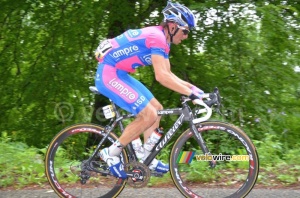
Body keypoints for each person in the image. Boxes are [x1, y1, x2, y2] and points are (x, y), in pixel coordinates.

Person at [94, 1, 204, 179]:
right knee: (149, 114)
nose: (186, 36)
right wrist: (190, 94)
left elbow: (169, 74)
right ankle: (111, 152)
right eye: (186, 31)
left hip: (120, 74)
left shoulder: (164, 41)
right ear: (173, 26)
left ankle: (146, 157)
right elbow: (161, 77)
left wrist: (196, 91)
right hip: (109, 74)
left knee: (157, 109)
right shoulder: (157, 37)